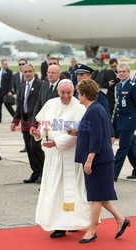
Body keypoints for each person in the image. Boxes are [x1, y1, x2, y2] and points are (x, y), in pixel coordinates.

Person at [30, 79, 91, 238]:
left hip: (70, 155)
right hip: (52, 156)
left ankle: (72, 222)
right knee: (55, 190)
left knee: (69, 190)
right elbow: (44, 125)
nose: (65, 96)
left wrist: (57, 142)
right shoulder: (50, 104)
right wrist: (39, 133)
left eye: (68, 93)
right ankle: (59, 224)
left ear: (73, 92)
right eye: (62, 93)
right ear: (58, 92)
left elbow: (80, 134)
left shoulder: (79, 107)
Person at [72, 78, 130, 243]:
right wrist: (75, 133)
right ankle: (120, 219)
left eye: (79, 93)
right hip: (100, 160)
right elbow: (92, 132)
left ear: (84, 95)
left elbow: (96, 138)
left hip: (98, 161)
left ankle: (91, 231)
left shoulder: (94, 111)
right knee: (100, 195)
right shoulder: (93, 109)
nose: (78, 96)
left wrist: (89, 160)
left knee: (96, 197)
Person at [11, 64, 44, 184]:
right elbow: (19, 105)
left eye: (30, 71)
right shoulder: (22, 86)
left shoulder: (40, 85)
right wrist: (15, 121)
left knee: (35, 146)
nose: (28, 74)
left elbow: (41, 104)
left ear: (34, 72)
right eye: (25, 72)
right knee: (29, 148)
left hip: (35, 121)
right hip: (24, 121)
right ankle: (35, 172)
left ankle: (42, 172)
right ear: (22, 73)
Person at [74, 63, 115, 143]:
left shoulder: (96, 93)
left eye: (81, 74)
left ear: (89, 76)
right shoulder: (77, 92)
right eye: (77, 75)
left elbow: (106, 114)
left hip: (93, 128)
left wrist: (111, 134)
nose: (78, 77)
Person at [114, 64, 136, 181]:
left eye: (124, 71)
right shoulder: (118, 86)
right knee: (131, 147)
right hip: (121, 121)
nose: (121, 73)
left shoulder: (132, 86)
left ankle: (113, 173)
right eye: (120, 72)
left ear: (128, 72)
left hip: (129, 122)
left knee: (122, 148)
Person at [101, 58, 120, 139]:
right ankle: (112, 132)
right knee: (111, 113)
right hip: (111, 95)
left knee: (118, 114)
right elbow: (102, 83)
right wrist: (108, 84)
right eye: (112, 66)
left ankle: (118, 132)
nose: (113, 68)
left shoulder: (120, 72)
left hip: (119, 95)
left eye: (115, 66)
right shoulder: (106, 73)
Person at [0, 59, 14, 123]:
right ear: (2, 64)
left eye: (7, 64)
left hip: (5, 92)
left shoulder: (9, 72)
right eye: (5, 64)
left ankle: (15, 117)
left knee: (8, 106)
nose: (6, 65)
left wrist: (10, 91)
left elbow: (11, 82)